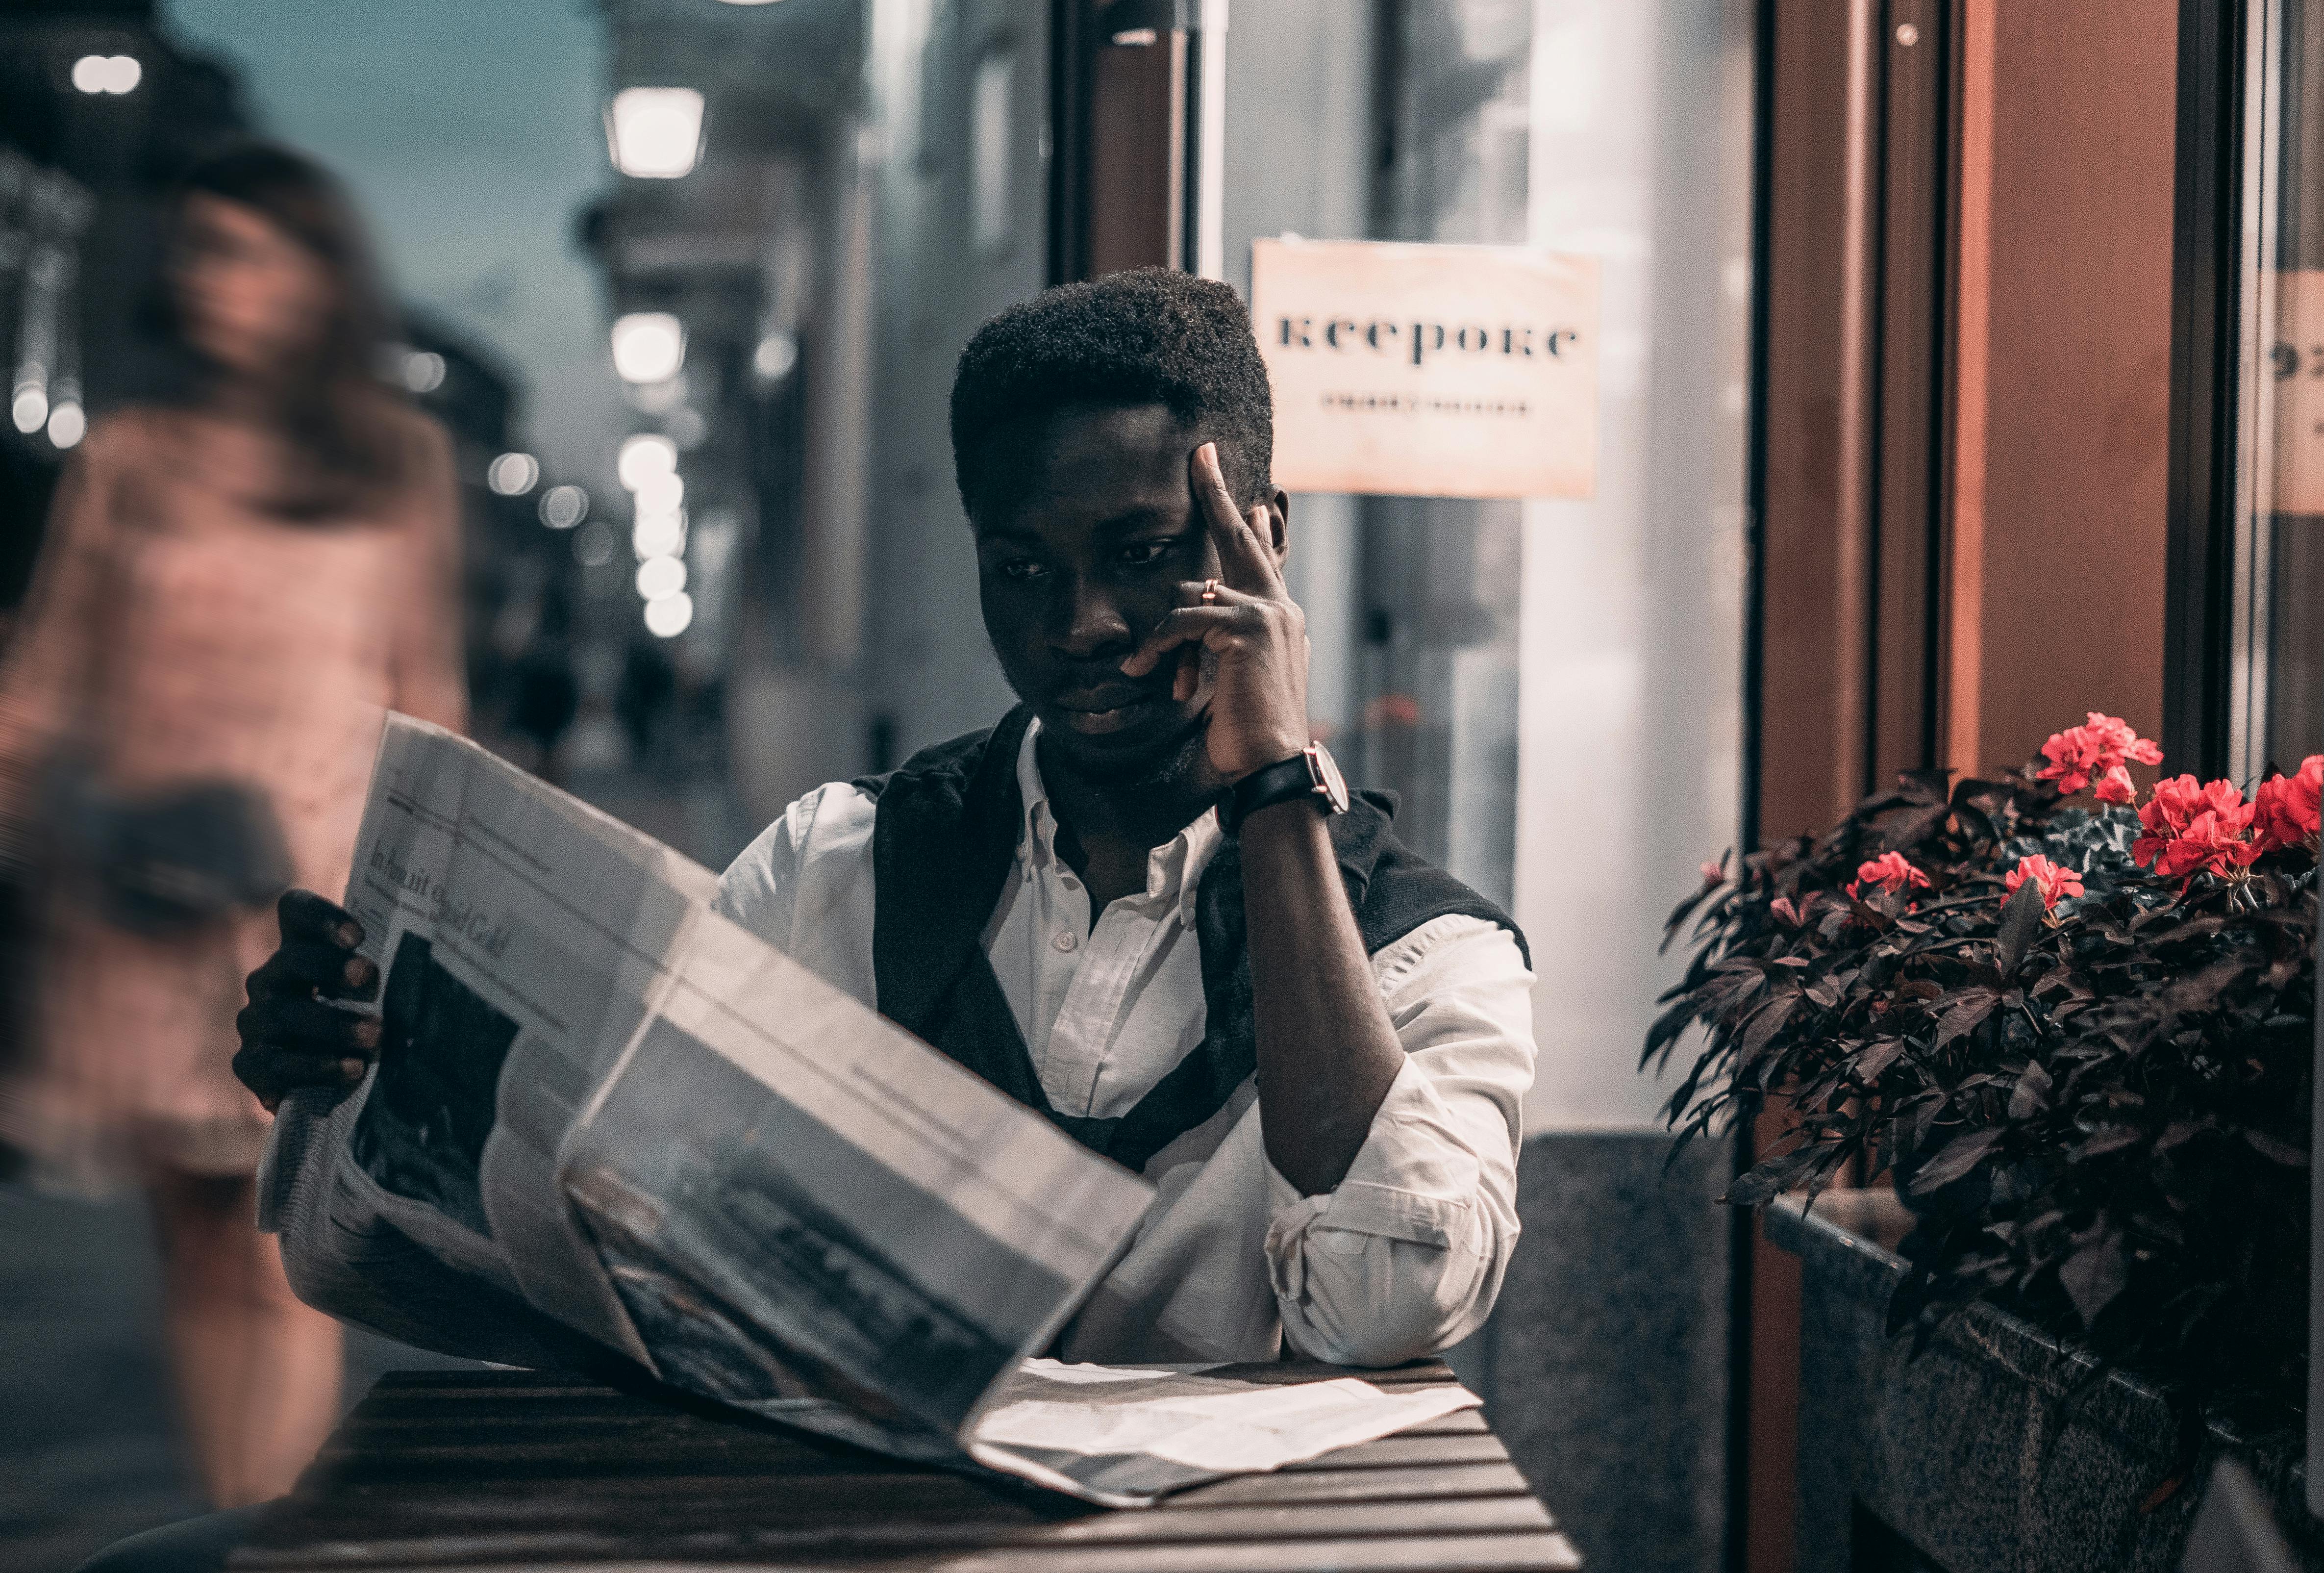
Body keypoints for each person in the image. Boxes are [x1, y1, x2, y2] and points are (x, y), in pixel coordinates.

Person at [236, 268, 1533, 1377]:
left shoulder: (1432, 953)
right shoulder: (838, 866)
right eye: (1021, 567)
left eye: (1142, 552)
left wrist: (1274, 792)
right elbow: (612, 1197)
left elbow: (1386, 1309)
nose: (1078, 622)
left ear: (1264, 543)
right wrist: (370, 1063)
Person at [0, 141, 466, 1508]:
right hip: (141, 912)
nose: (218, 284)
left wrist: (438, 904)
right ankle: (232, 1517)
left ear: (320, 280)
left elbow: (423, 692)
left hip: (305, 913)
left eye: (249, 254)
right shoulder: (133, 457)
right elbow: (51, 675)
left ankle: (275, 1527)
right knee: (197, 1255)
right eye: (200, 253)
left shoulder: (393, 460)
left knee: (282, 1254)